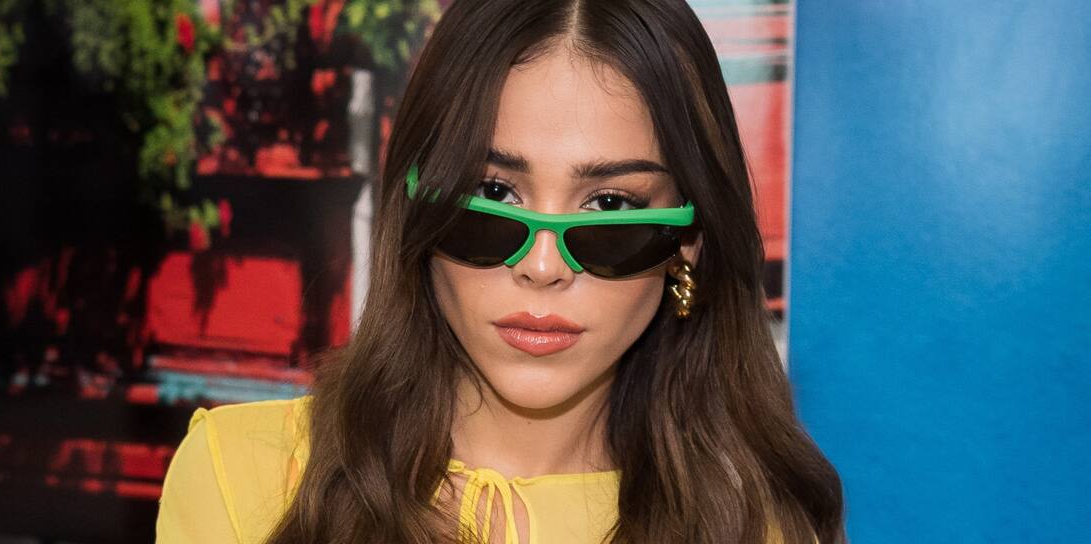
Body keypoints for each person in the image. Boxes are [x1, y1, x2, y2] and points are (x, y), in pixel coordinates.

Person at [155, 0, 845, 542]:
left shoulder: (758, 526)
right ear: (418, 204)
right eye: (495, 193)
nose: (542, 266)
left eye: (609, 204)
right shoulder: (241, 479)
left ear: (687, 242)